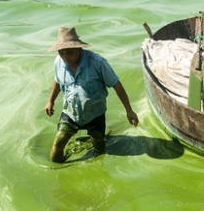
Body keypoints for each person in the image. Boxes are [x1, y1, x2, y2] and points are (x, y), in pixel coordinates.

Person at [45, 26, 139, 163]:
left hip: (95, 114)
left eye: (69, 52)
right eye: (62, 53)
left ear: (78, 48)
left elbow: (116, 84)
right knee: (55, 152)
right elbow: (57, 80)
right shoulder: (59, 62)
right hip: (70, 113)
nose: (65, 57)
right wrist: (50, 101)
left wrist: (129, 110)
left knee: (99, 152)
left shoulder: (97, 63)